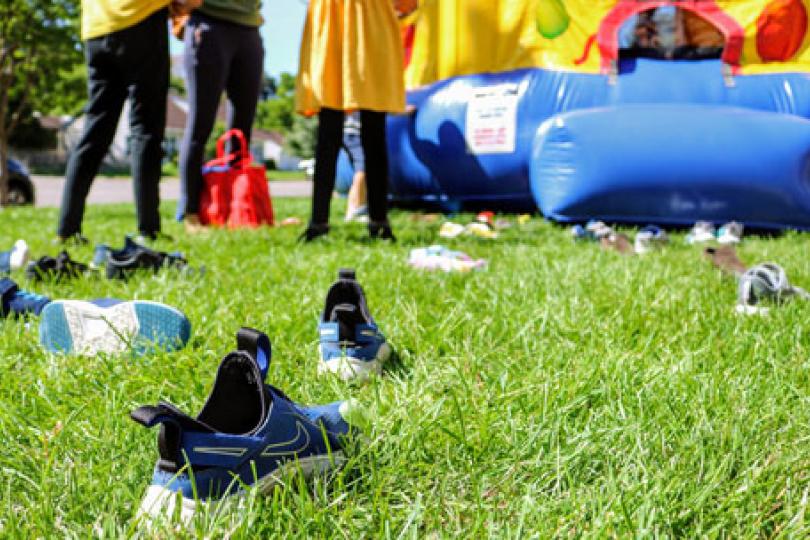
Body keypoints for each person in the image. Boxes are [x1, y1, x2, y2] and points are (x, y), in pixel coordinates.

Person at [57, 0, 196, 242]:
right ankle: (148, 228)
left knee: (95, 129)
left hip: (97, 27)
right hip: (140, 18)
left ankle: (67, 230)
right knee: (146, 129)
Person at [296, 0, 409, 242]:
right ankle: (320, 222)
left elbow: (406, 5)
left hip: (366, 21)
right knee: (331, 131)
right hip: (337, 23)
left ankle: (376, 221)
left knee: (371, 131)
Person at [176, 0, 264, 234]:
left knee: (242, 129)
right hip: (209, 24)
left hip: (249, 29)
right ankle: (190, 213)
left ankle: (236, 209)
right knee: (200, 125)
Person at [343, 112, 368, 222]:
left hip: (349, 132)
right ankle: (359, 209)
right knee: (363, 168)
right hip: (353, 132)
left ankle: (351, 212)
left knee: (360, 170)